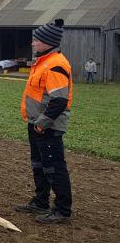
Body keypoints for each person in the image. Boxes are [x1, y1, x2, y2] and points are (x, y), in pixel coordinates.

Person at [15, 19, 74, 224]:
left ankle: (63, 209)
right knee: (38, 164)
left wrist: (42, 123)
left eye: (36, 40)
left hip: (48, 126)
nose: (33, 44)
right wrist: (35, 122)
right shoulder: (43, 62)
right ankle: (41, 201)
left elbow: (59, 100)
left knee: (54, 167)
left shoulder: (56, 64)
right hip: (36, 123)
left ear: (47, 42)